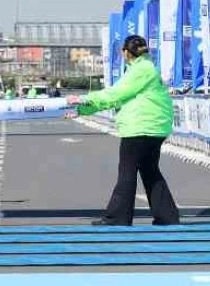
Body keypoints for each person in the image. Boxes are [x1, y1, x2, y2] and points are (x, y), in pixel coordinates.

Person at [66, 35, 179, 226]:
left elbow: (116, 93)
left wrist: (85, 99)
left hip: (139, 127)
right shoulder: (147, 68)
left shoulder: (140, 71)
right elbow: (119, 98)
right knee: (150, 171)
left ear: (125, 53)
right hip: (154, 127)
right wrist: (83, 109)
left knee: (127, 172)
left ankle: (118, 217)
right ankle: (167, 216)